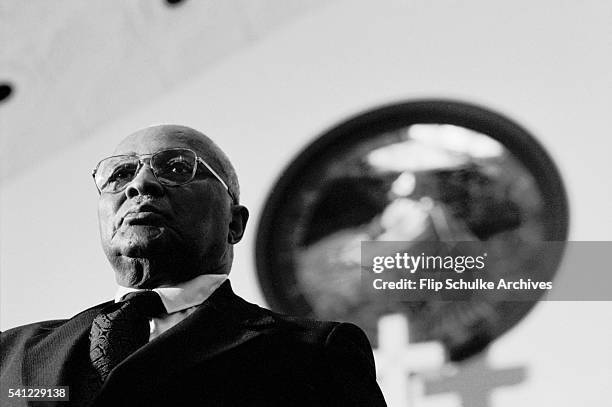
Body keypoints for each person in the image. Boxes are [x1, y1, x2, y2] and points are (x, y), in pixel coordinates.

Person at [0, 125, 387, 407]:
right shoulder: (12, 353)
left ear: (233, 223)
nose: (140, 185)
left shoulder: (313, 353)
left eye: (176, 167)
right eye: (119, 174)